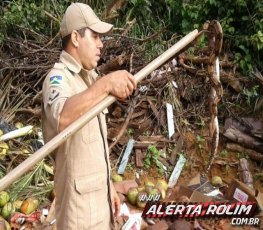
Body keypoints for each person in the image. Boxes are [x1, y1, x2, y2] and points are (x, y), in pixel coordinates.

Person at [42, 2, 137, 229]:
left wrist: (109, 187)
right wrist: (105, 84)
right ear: (76, 38)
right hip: (79, 214)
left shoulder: (89, 79)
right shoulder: (58, 79)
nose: (100, 44)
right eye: (94, 37)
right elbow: (63, 118)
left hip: (99, 204)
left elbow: (94, 147)